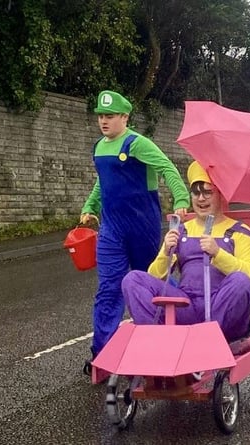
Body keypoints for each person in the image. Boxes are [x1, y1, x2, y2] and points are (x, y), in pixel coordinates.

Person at [80, 90, 190, 375]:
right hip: (112, 228)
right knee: (109, 289)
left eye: (110, 116)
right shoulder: (98, 147)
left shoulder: (137, 143)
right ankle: (102, 356)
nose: (104, 121)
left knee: (152, 284)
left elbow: (167, 167)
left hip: (143, 225)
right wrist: (90, 206)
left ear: (124, 117)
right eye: (101, 116)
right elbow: (101, 183)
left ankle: (181, 332)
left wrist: (180, 200)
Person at [121, 161, 250, 342]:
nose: (201, 199)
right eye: (196, 192)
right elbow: (155, 276)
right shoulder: (181, 231)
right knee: (132, 279)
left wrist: (218, 254)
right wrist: (165, 251)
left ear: (221, 196)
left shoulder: (240, 232)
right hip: (188, 306)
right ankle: (155, 341)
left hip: (225, 310)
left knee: (241, 279)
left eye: (208, 192)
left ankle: (207, 340)